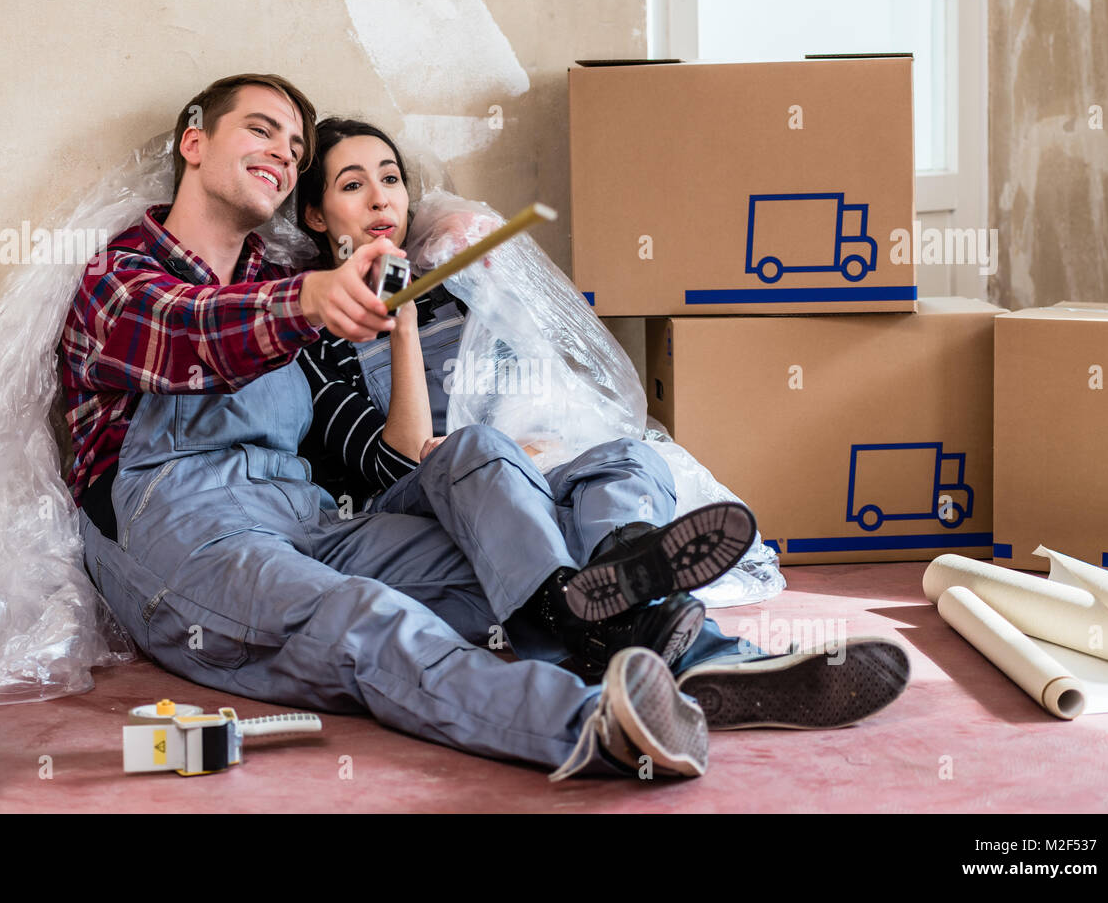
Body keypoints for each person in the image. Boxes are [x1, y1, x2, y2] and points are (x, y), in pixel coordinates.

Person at [292, 117, 911, 714]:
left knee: (629, 457)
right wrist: (397, 322)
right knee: (474, 446)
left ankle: (644, 589)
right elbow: (393, 460)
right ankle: (607, 631)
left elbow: (543, 380)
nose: (380, 199)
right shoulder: (311, 333)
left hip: (515, 479)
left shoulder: (452, 288)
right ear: (317, 216)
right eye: (353, 185)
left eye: (391, 179)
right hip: (422, 494)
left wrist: (493, 269)